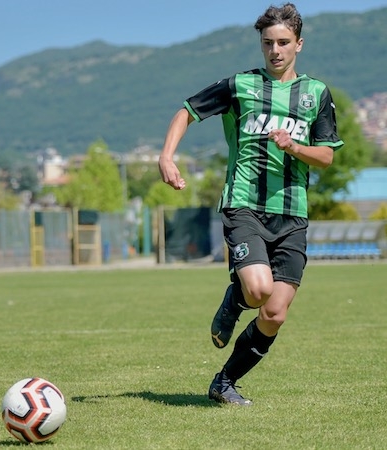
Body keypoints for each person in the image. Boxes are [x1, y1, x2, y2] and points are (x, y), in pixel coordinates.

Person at [158, 3, 343, 406]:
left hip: (292, 214)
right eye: (267, 43)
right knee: (258, 291)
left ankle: (224, 382)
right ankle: (236, 299)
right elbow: (186, 112)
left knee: (275, 313)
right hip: (244, 205)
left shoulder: (315, 93)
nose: (274, 50)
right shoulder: (239, 85)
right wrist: (166, 157)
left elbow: (327, 156)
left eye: (282, 42)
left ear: (299, 44)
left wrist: (293, 145)